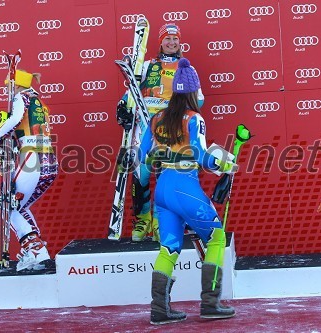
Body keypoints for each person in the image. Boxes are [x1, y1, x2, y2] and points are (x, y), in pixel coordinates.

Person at [138, 58, 242, 325]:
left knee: (169, 248)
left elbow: (142, 157)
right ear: (194, 92)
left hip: (162, 189)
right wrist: (226, 164)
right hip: (185, 188)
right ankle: (210, 304)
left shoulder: (156, 117)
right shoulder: (194, 118)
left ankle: (159, 310)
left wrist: (164, 155)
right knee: (217, 239)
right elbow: (200, 155)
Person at [117, 22, 204, 241]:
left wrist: (178, 110)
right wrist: (123, 108)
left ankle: (160, 220)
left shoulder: (187, 69)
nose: (172, 42)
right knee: (141, 174)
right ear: (161, 41)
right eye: (168, 38)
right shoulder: (147, 66)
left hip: (170, 126)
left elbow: (199, 99)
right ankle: (142, 218)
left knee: (165, 174)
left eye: (175, 39)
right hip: (145, 125)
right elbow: (131, 92)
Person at [0, 69, 58, 271]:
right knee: (20, 206)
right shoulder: (39, 101)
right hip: (49, 161)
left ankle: (35, 250)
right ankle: (38, 252)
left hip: (31, 159)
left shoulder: (22, 97)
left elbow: (16, 119)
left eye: (9, 85)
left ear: (17, 85)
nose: (7, 89)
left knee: (7, 204)